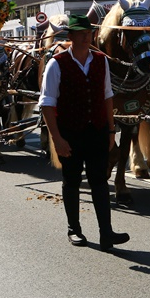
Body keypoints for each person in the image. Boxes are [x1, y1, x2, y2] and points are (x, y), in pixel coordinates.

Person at [39, 14, 130, 250]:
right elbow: (47, 104)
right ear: (70, 36)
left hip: (97, 131)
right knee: (72, 181)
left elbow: (107, 96)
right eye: (80, 34)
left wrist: (111, 131)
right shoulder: (56, 64)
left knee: (99, 181)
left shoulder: (101, 60)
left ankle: (106, 233)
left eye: (88, 34)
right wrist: (56, 138)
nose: (85, 38)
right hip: (70, 133)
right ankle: (74, 229)